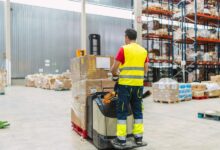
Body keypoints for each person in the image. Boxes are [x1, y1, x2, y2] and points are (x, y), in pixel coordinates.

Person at [111, 29, 148, 146]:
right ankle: (139, 138)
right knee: (138, 111)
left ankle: (121, 139)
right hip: (138, 86)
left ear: (127, 37)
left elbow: (114, 68)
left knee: (122, 111)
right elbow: (146, 69)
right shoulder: (143, 51)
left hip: (125, 86)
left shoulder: (124, 49)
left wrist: (115, 74)